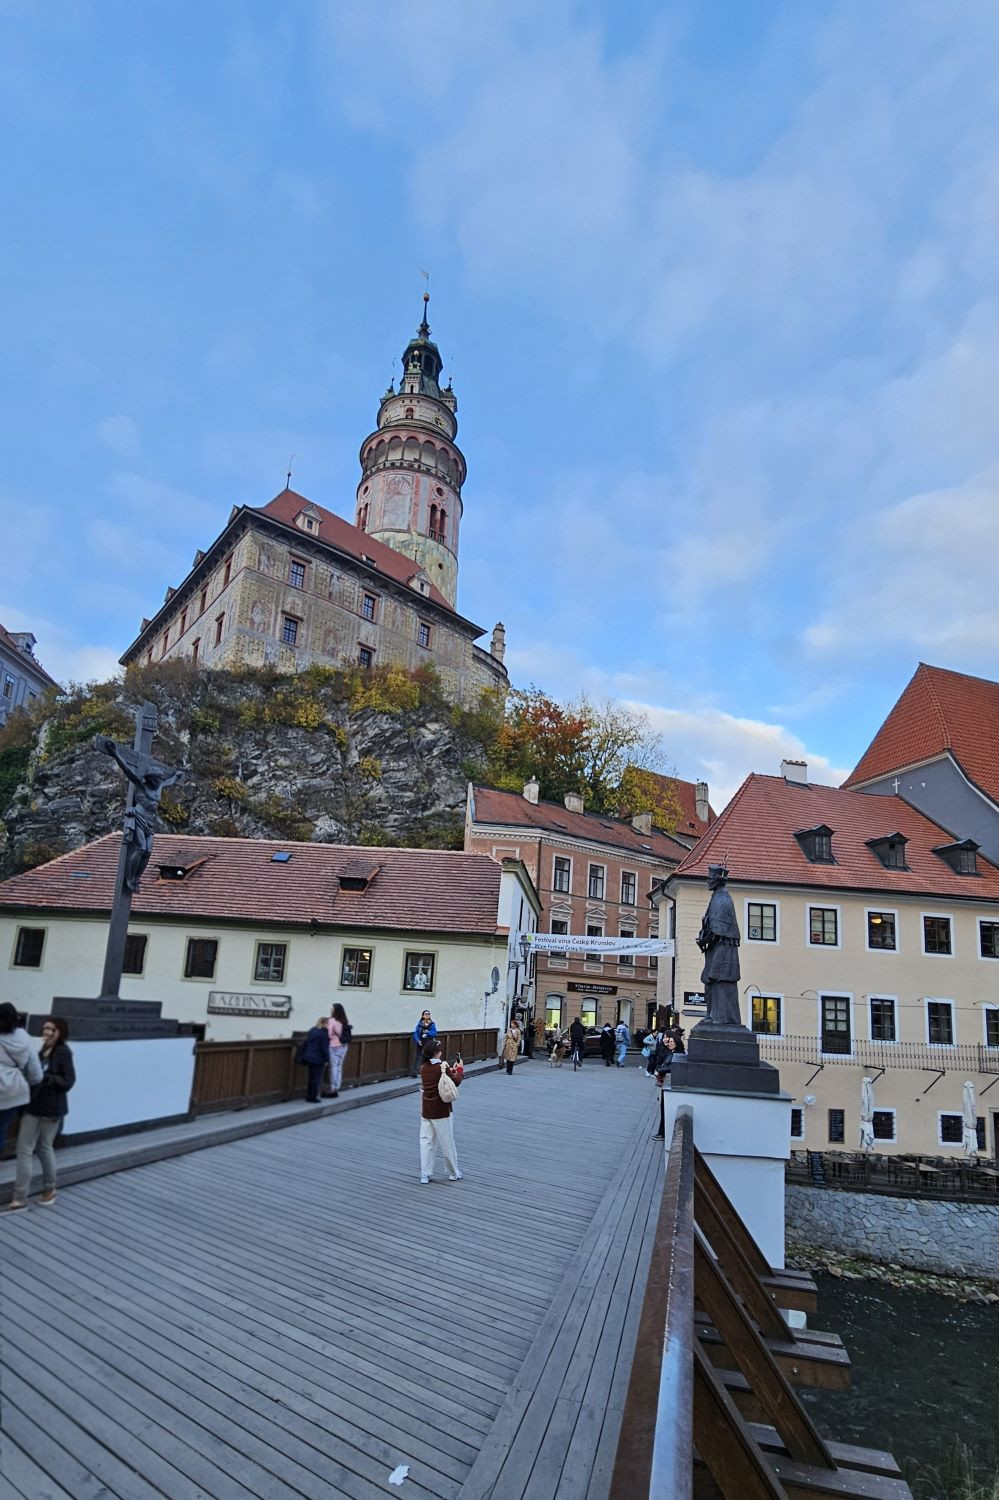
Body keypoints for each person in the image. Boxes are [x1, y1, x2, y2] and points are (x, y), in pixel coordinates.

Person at [8, 1017, 75, 1212]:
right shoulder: (38, 1049)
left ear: (59, 1032)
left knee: (44, 1148)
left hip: (52, 1108)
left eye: (51, 1029)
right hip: (33, 1105)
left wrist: (49, 1079)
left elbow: (69, 1080)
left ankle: (49, 1189)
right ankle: (19, 1196)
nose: (46, 1032)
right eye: (45, 1028)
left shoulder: (63, 1052)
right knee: (24, 1149)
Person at [419, 1038, 464, 1184]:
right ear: (437, 1053)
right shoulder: (442, 1067)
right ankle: (453, 1172)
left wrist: (450, 1070)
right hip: (442, 1110)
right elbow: (455, 1082)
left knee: (426, 1141)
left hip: (427, 1109)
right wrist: (459, 1070)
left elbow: (437, 1077)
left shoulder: (423, 1068)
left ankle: (425, 1173)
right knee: (447, 1141)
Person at [0, 1002, 42, 1151]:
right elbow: (36, 1072)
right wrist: (31, 1083)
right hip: (15, 1090)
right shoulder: (24, 1037)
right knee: (2, 1128)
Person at [300, 1018, 330, 1103]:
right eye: (328, 1023)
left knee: (311, 1078)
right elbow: (324, 1049)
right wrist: (327, 1060)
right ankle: (312, 1097)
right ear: (323, 1023)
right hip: (318, 1059)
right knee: (316, 1079)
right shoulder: (323, 1034)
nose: (329, 1026)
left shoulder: (312, 1031)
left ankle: (309, 1095)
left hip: (309, 1057)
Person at [326, 1003, 350, 1098]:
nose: (331, 1010)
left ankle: (332, 1088)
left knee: (334, 1067)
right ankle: (338, 1086)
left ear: (334, 1010)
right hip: (344, 1046)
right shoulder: (344, 1021)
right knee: (339, 1067)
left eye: (332, 1008)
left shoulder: (332, 1020)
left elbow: (329, 1035)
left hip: (333, 1046)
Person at [410, 1009, 436, 1077]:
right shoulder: (420, 1024)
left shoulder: (432, 1024)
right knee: (418, 1057)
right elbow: (415, 1033)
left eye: (428, 1014)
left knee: (428, 1057)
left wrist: (428, 1032)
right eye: (426, 1014)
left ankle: (428, 1072)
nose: (427, 1015)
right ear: (423, 1015)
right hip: (420, 1042)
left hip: (428, 1043)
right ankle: (415, 1072)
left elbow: (434, 1033)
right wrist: (418, 1040)